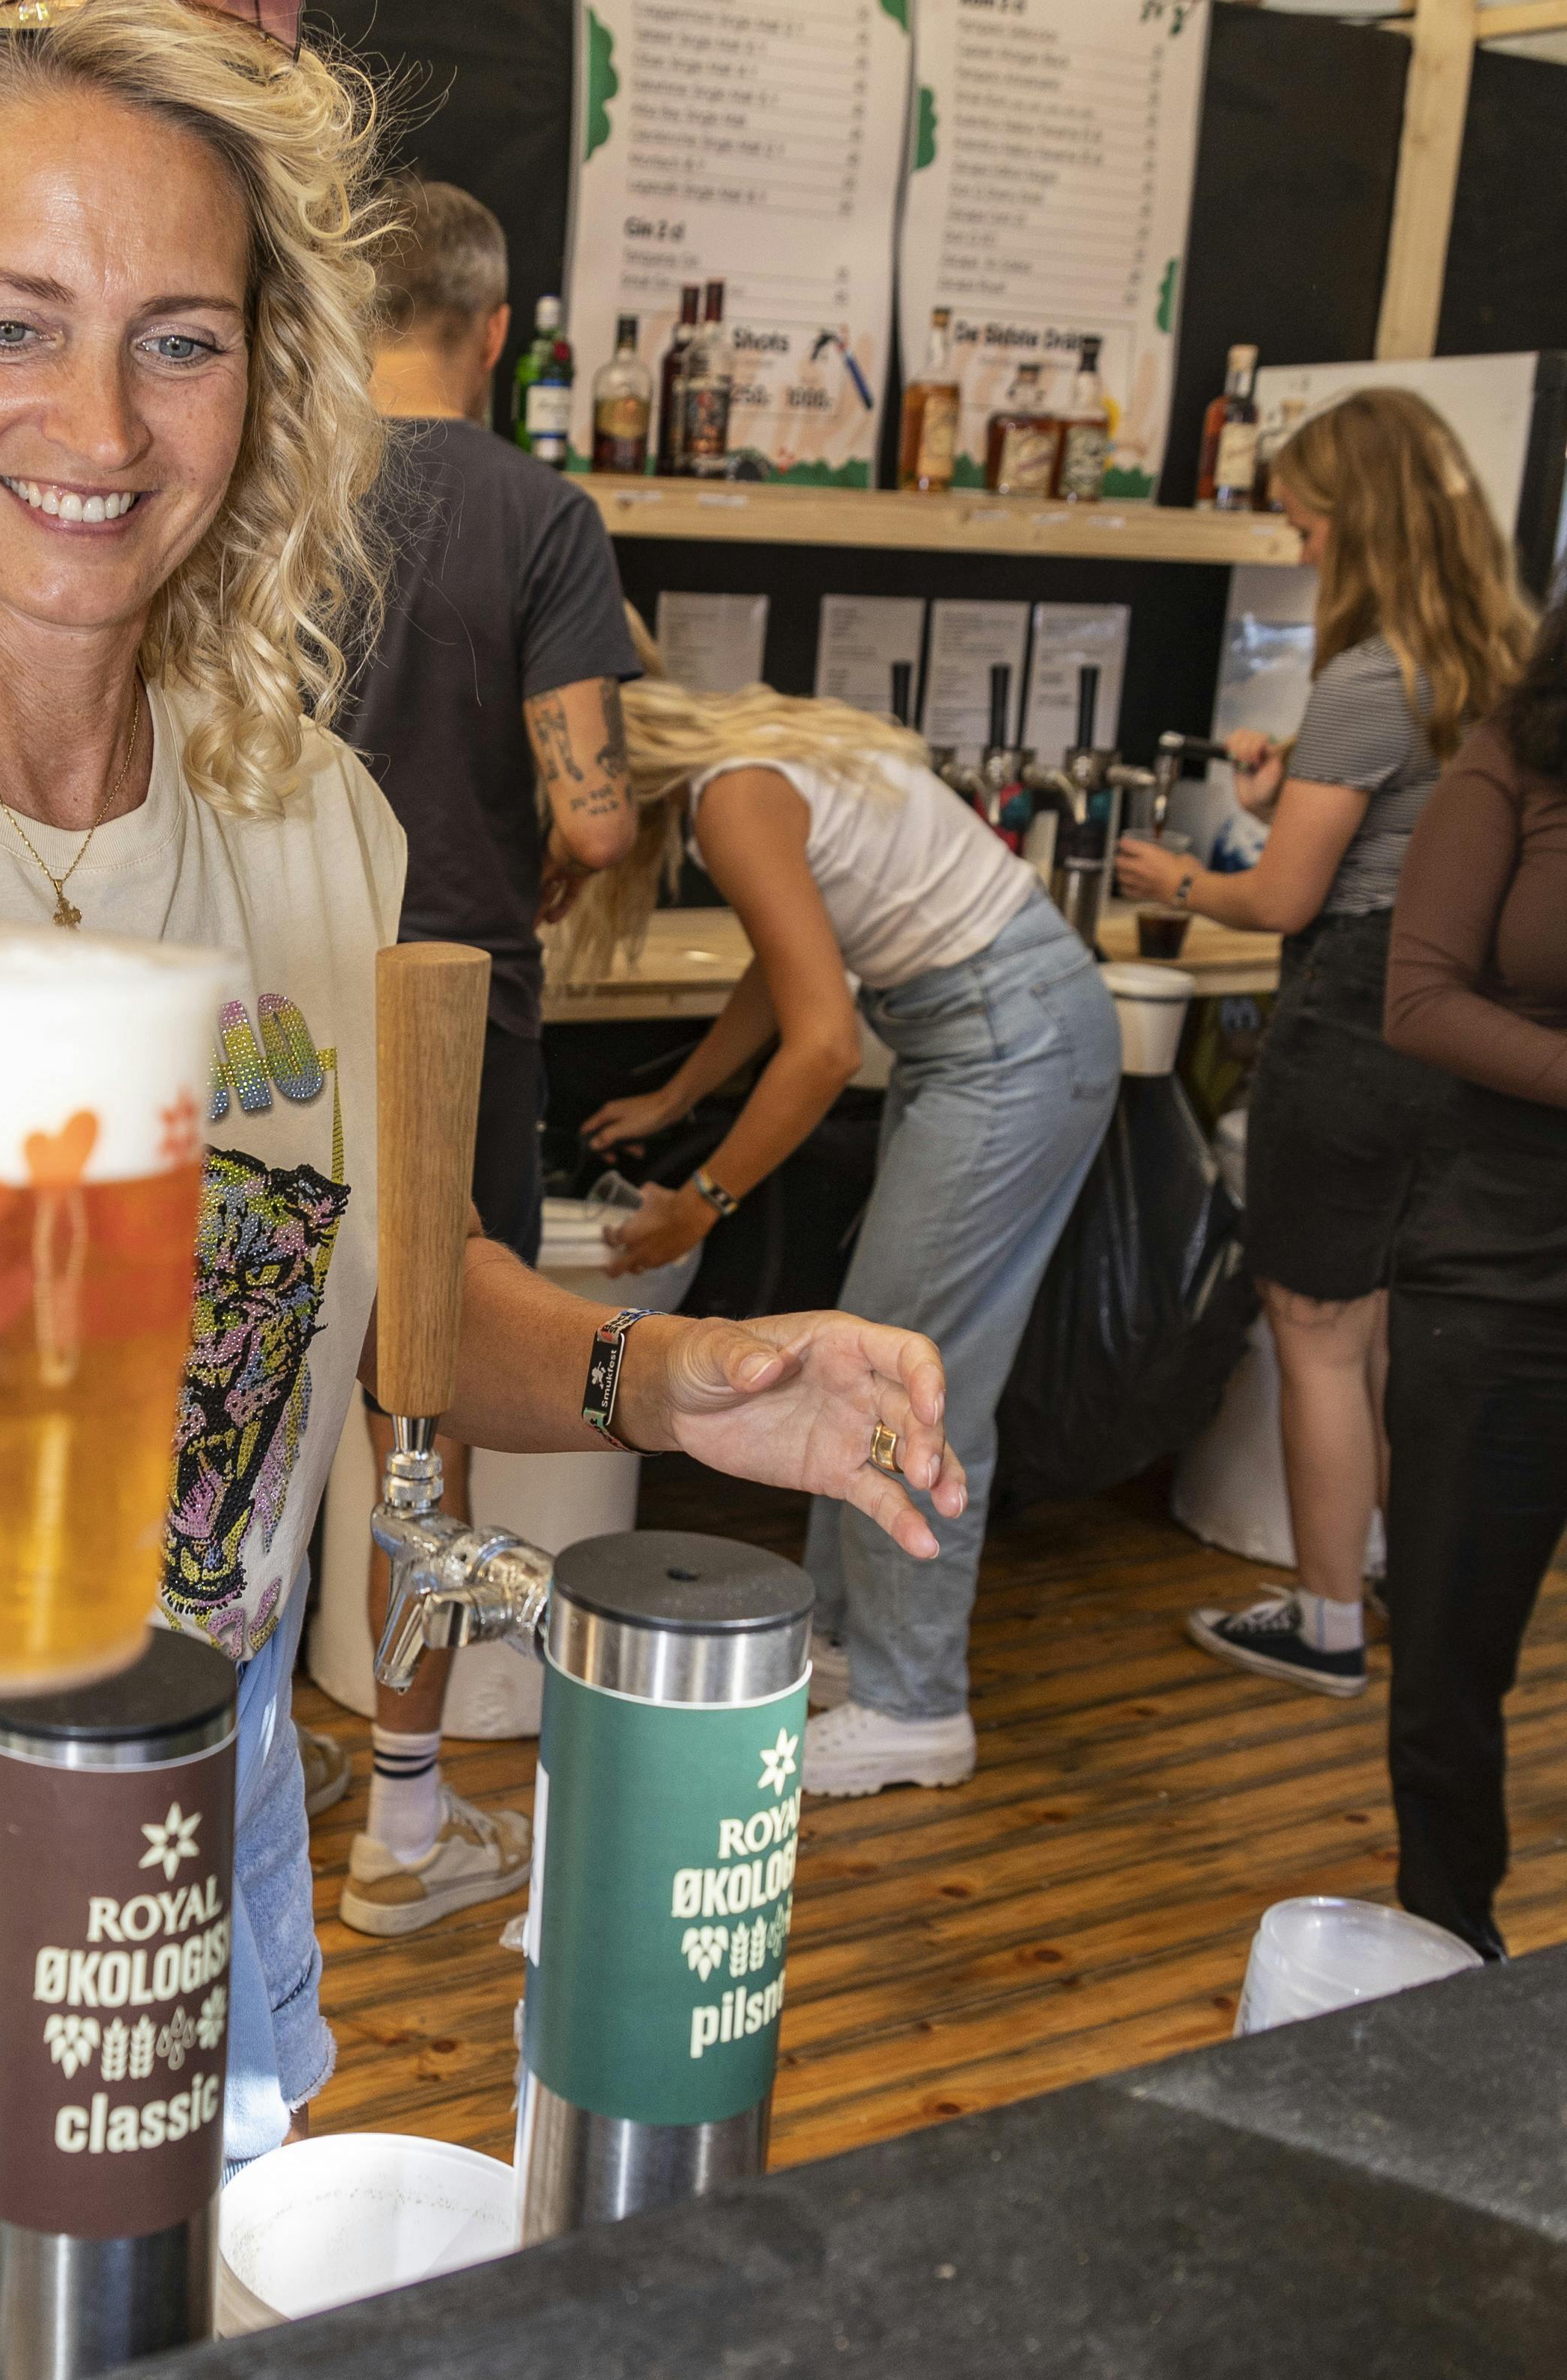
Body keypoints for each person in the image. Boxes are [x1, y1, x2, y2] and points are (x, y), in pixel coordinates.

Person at [0, 0, 964, 2376]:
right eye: (7, 322)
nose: (100, 414)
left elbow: (383, 1304)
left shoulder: (303, 828)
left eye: (179, 333)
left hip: (167, 1806)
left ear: (265, 381)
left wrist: (673, 1383)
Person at [580, 622, 1120, 1796]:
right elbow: (788, 969)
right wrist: (678, 1092)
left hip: (1003, 1039)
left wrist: (704, 1199)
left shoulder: (732, 799)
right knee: (878, 1348)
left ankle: (913, 1703)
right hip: (988, 1027)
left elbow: (823, 1043)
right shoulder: (748, 759)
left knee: (912, 1377)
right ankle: (854, 1654)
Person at [1116, 388, 1532, 1699]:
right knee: (1404, 1330)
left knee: (1318, 1334)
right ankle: (1401, 1580)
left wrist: (1175, 875)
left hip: (1354, 1025)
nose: (1294, 540)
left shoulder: (1366, 675)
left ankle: (1327, 1623)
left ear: (1361, 517)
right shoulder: (1508, 666)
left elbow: (1287, 898)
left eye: (1303, 515)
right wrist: (1280, 790)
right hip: (1470, 1021)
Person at [339, 177, 642, 1939]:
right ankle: (401, 1818)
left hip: (254, 990)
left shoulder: (266, 478)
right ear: (498, 332)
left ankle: (199, 1745)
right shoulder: (539, 511)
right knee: (426, 1397)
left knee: (229, 1361)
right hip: (452, 1005)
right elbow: (598, 826)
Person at [1377, 591, 1567, 1959]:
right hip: (1503, 1276)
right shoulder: (1511, 761)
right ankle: (1449, 1951)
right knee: (1452, 1656)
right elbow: (1422, 997)